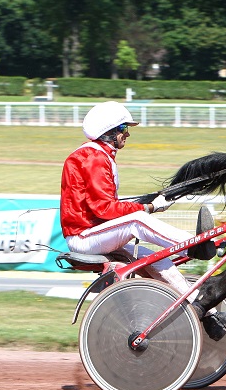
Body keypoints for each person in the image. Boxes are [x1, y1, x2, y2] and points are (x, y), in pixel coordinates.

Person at [59, 101, 217, 294]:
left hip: (95, 233)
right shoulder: (93, 157)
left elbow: (104, 207)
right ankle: (194, 246)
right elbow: (105, 209)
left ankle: (200, 307)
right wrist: (149, 208)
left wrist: (146, 205)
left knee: (160, 261)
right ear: (108, 131)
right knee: (138, 220)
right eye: (124, 128)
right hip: (83, 237)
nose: (128, 134)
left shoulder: (99, 156)